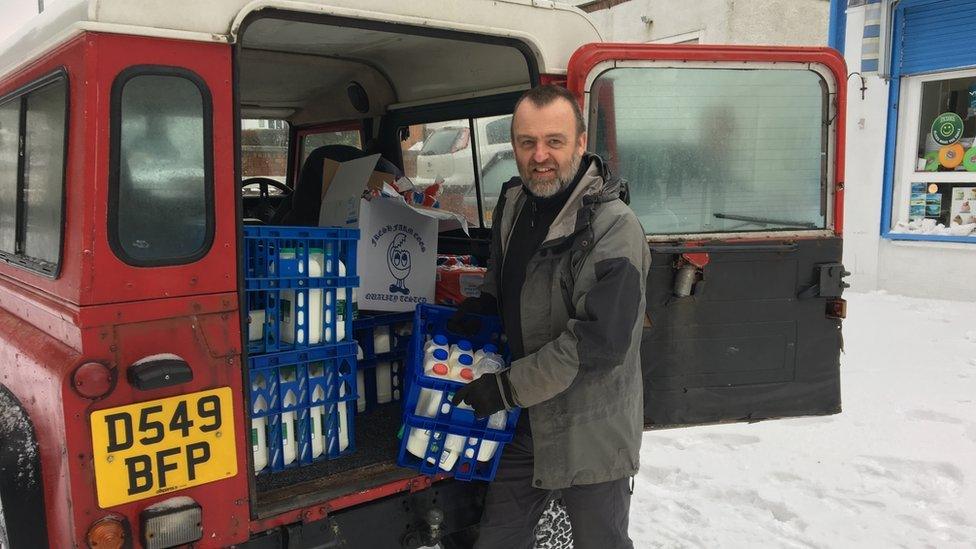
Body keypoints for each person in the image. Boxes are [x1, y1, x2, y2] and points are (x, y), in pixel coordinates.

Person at [451, 84, 650, 549]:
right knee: (498, 539)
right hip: (527, 420)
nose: (540, 156)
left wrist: (505, 388)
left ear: (581, 144)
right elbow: (502, 276)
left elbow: (598, 343)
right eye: (527, 142)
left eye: (554, 142)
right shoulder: (515, 203)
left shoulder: (613, 228)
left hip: (592, 427)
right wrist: (484, 305)